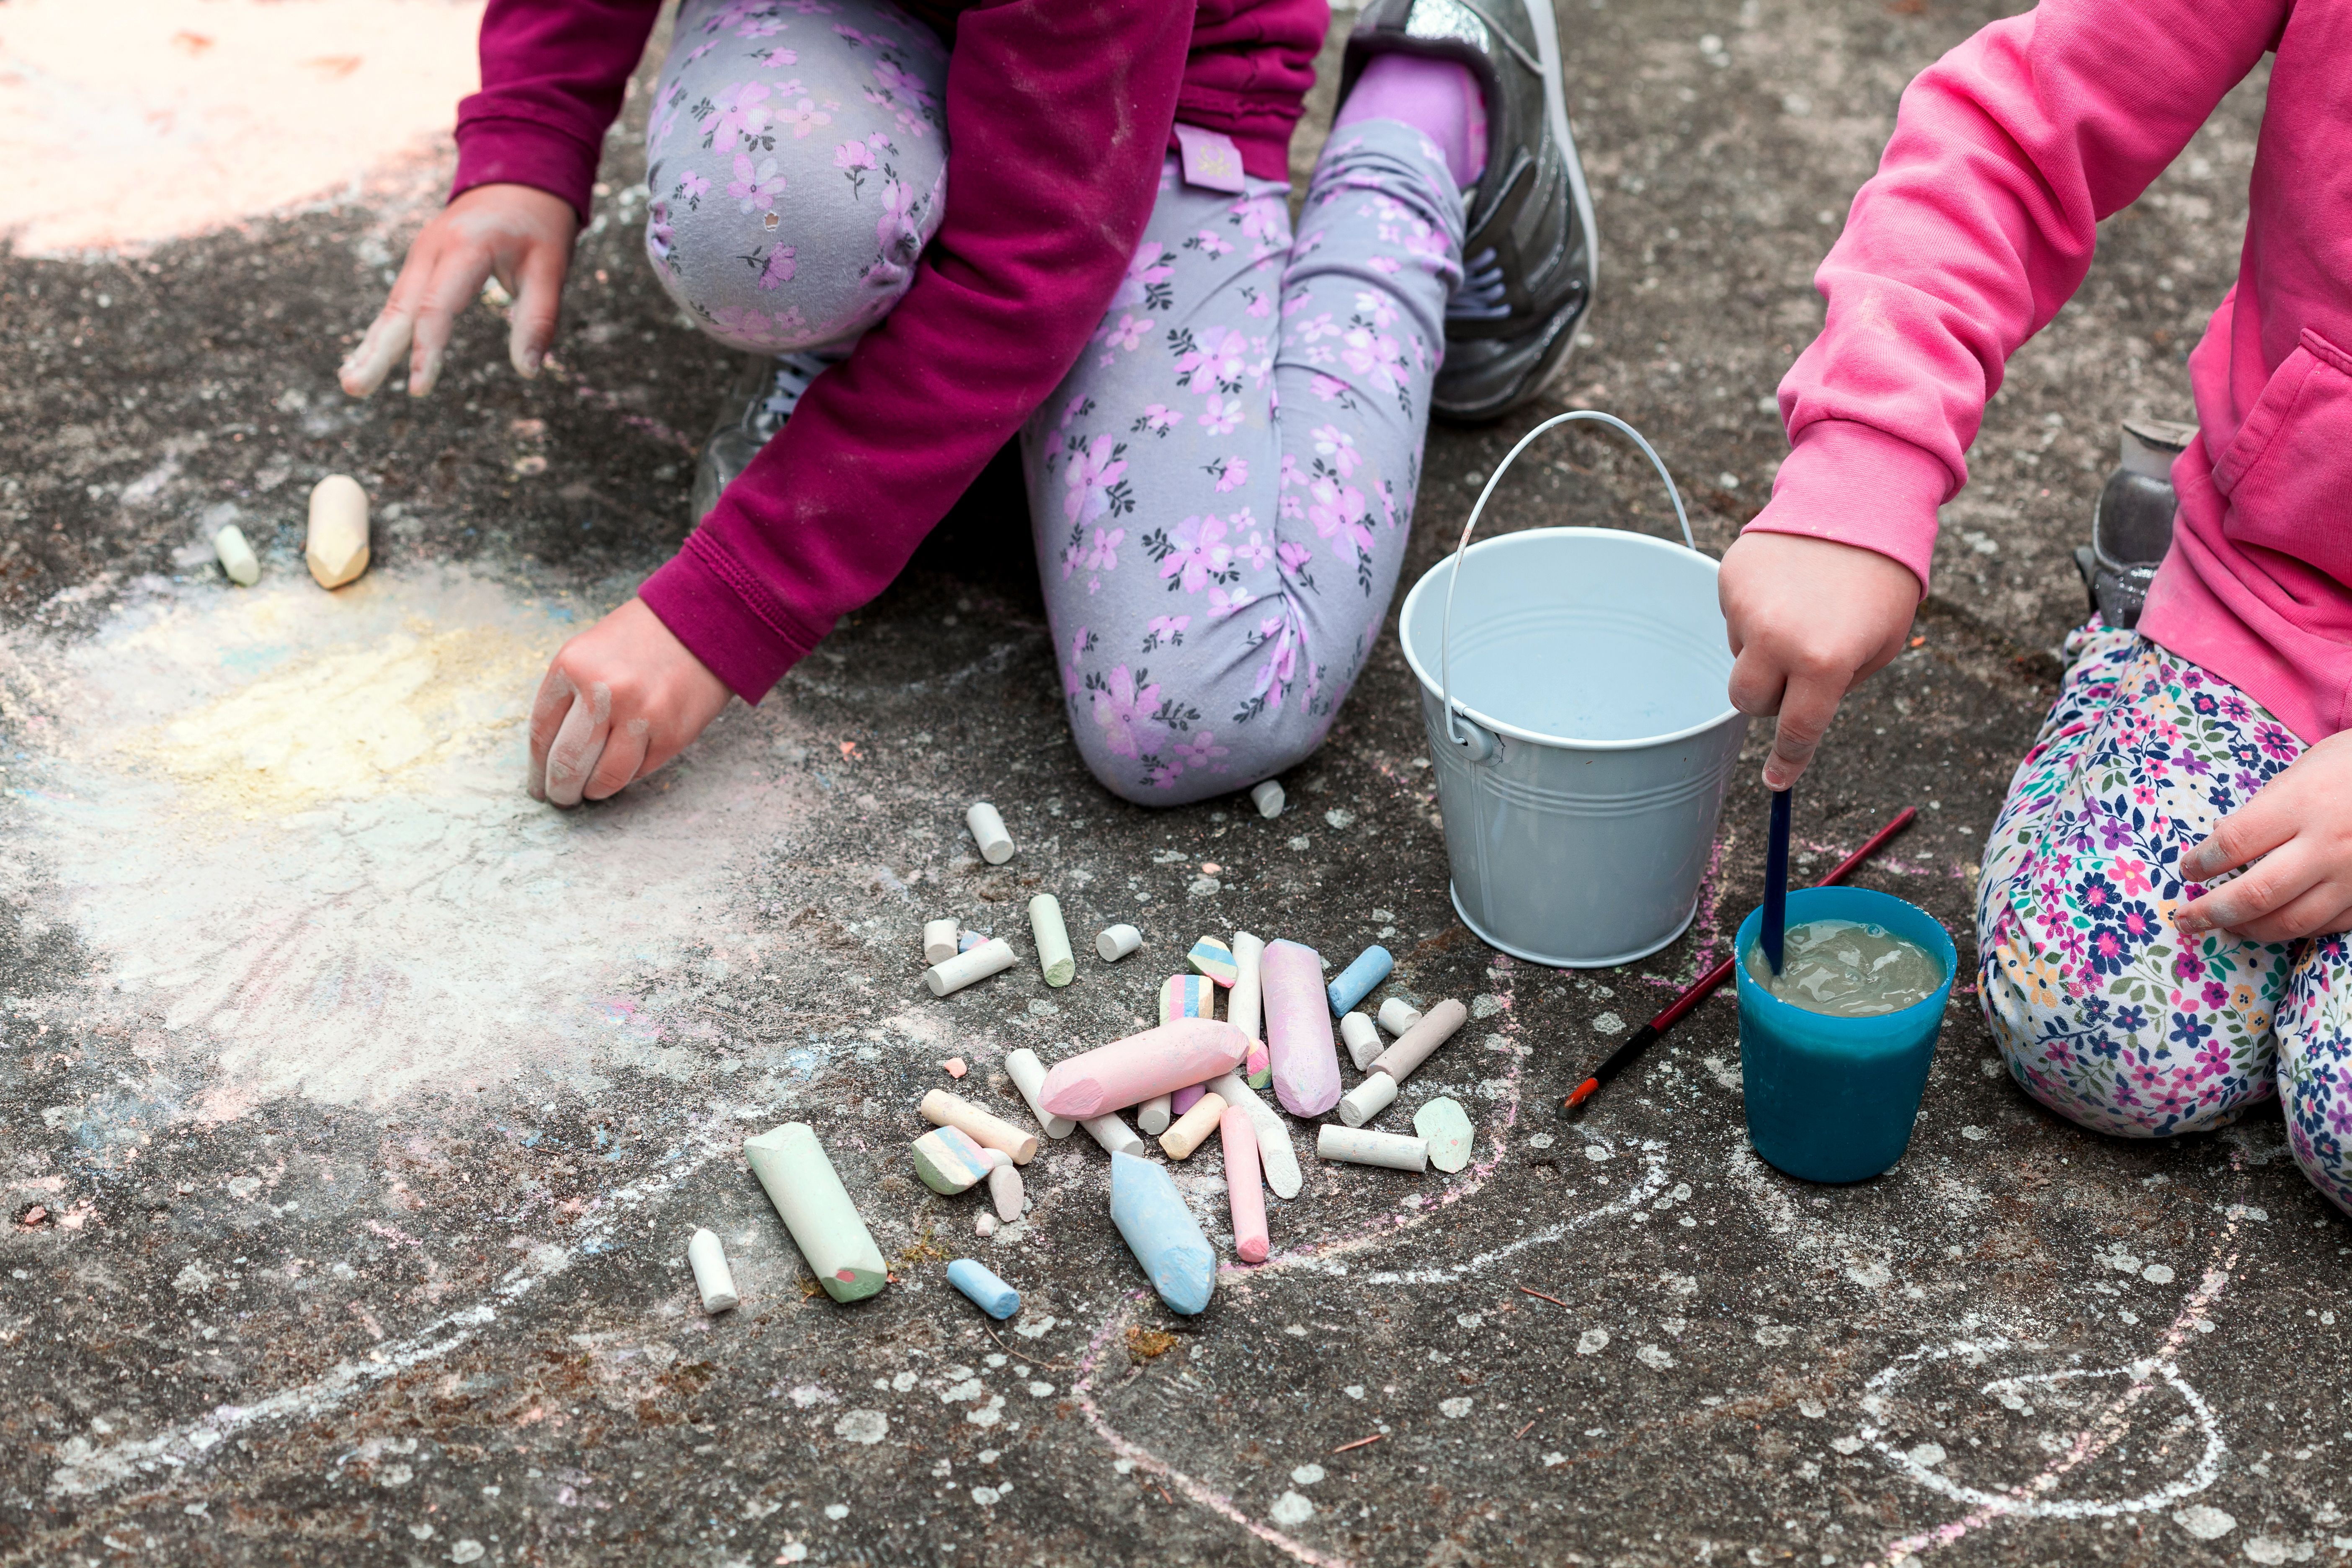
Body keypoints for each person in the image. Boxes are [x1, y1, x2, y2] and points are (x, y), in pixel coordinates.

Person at [338, 0, 1596, 807]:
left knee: (1198, 712)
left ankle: (1426, 105)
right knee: (763, 221)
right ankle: (884, 339)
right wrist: (529, 138)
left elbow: (1032, 258)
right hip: (856, 23)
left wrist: (724, 612)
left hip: (1143, 105)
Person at [1717, 0, 2352, 1207]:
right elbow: (2019, 125)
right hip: (2277, 591)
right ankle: (2135, 630)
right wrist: (1866, 463)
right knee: (2099, 1034)